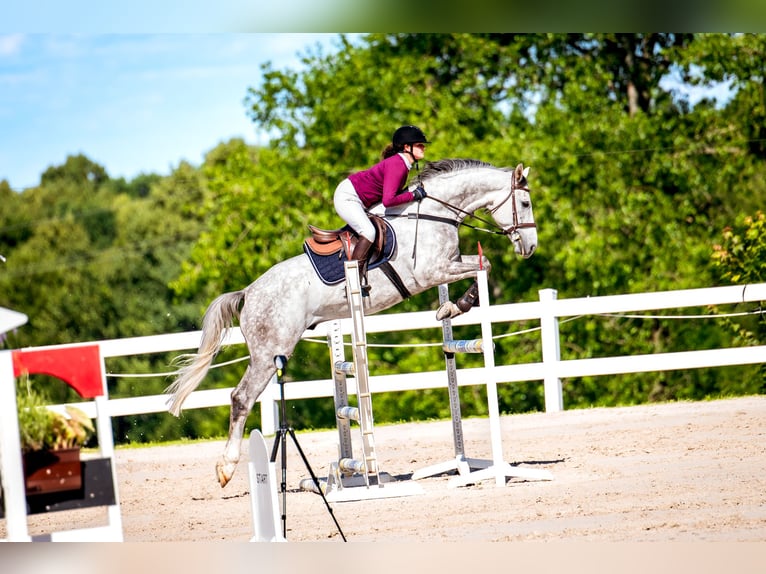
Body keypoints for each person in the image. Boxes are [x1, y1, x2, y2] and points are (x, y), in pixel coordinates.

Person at [333, 125, 429, 290]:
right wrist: (414, 195)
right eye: (419, 144)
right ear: (407, 147)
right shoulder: (398, 164)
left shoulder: (402, 164)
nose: (423, 147)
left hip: (359, 199)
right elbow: (389, 201)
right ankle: (351, 281)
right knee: (369, 232)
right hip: (348, 197)